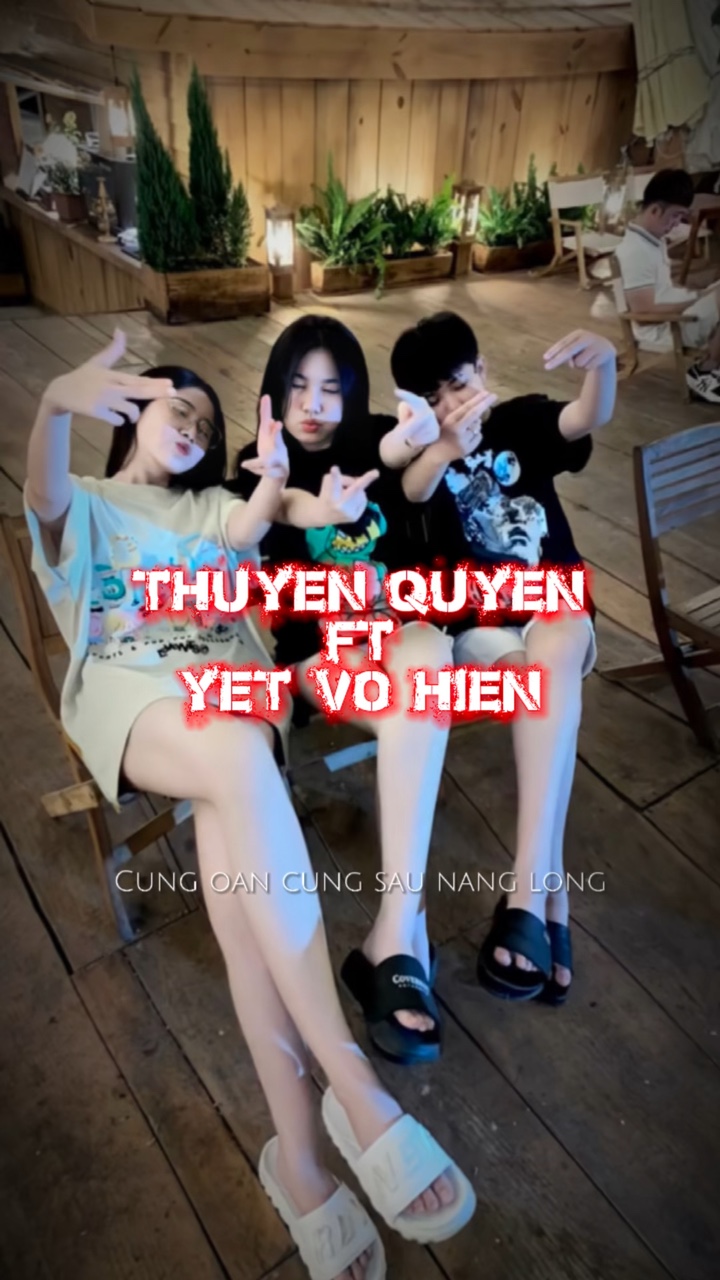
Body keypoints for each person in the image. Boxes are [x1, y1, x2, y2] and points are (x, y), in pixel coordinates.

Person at [23, 331, 477, 1280]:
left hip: (235, 702)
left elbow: (269, 512)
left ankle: (299, 1160)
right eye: (173, 407)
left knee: (241, 903)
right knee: (236, 758)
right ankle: (351, 1078)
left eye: (205, 416)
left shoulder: (214, 507)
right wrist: (57, 402)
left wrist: (309, 496)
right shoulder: (91, 503)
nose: (191, 425)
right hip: (139, 699)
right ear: (128, 413)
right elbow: (45, 493)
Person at [229, 314, 456, 1067]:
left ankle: (394, 932)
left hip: (395, 634)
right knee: (418, 706)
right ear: (275, 389)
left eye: (331, 389)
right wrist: (311, 507)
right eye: (298, 386)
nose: (313, 404)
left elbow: (393, 454)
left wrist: (415, 438)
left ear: (353, 394)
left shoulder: (374, 444)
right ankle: (402, 937)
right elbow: (276, 526)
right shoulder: (258, 469)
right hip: (316, 659)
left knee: (429, 654)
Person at [390, 312, 618, 1006]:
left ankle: (526, 894)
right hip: (481, 629)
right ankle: (549, 898)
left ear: (483, 370)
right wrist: (439, 444)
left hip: (553, 608)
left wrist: (603, 365)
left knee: (556, 642)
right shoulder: (424, 453)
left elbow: (585, 416)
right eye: (434, 399)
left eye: (461, 384)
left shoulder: (520, 421)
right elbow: (413, 489)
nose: (454, 405)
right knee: (548, 703)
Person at [614, 168, 720, 404]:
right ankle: (704, 371)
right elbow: (643, 314)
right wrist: (694, 300)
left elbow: (663, 292)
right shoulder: (635, 251)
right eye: (675, 216)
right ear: (655, 210)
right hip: (665, 328)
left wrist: (700, 293)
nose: (676, 224)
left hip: (676, 315)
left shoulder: (651, 240)